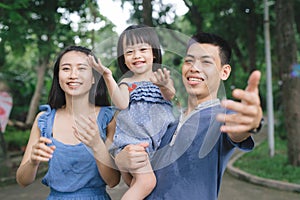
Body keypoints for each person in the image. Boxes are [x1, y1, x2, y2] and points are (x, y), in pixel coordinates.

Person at [114, 32, 264, 200]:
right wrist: (122, 162)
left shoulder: (224, 118)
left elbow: (239, 130)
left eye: (206, 62)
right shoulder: (166, 123)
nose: (194, 67)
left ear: (224, 72)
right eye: (189, 61)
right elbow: (140, 183)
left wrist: (253, 121)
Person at [16, 46, 120, 199]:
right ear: (58, 76)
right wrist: (32, 162)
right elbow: (22, 181)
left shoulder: (109, 118)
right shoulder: (44, 119)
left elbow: (113, 181)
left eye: (81, 68)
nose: (73, 75)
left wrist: (97, 145)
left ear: (93, 78)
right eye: (66, 68)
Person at [88, 24, 176, 200]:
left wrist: (164, 85)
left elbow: (170, 96)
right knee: (147, 182)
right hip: (133, 142)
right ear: (124, 58)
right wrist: (107, 76)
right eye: (129, 52)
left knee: (138, 184)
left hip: (156, 145)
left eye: (143, 49)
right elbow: (121, 103)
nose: (137, 55)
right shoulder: (127, 82)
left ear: (154, 53)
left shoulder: (161, 79)